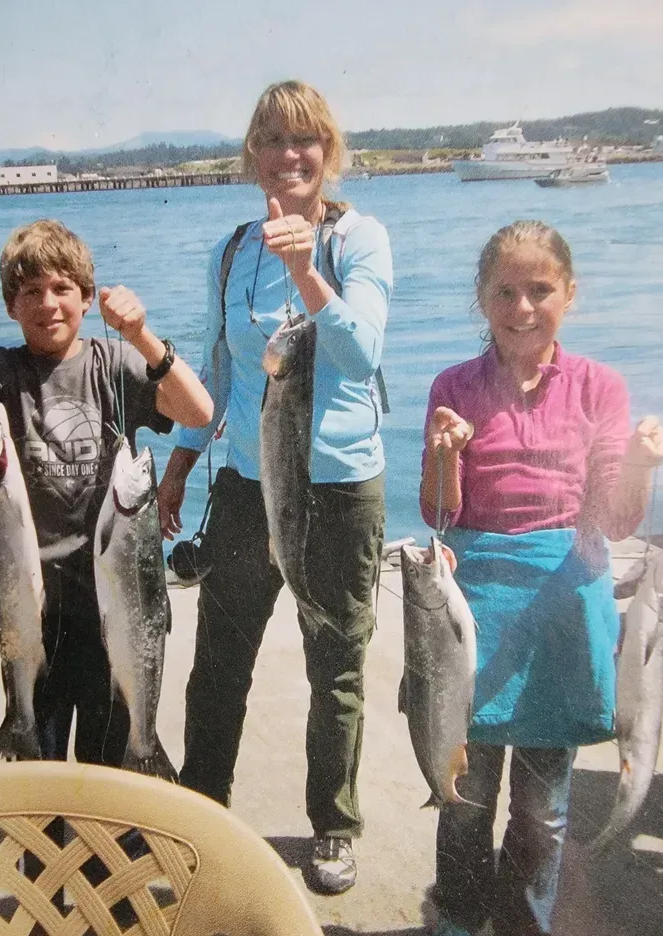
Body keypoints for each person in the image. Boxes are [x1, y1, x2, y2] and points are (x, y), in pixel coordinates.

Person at [158, 80, 392, 894]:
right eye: (274, 141)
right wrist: (182, 461)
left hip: (340, 491)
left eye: (308, 141)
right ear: (253, 154)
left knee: (338, 664)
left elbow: (361, 354)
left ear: (328, 152)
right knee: (218, 664)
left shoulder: (360, 240)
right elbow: (219, 369)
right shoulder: (230, 250)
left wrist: (306, 271)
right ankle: (202, 813)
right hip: (246, 484)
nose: (291, 156)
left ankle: (334, 825)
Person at [419, 220, 663, 936]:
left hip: (565, 601)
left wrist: (641, 465)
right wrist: (445, 455)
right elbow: (439, 513)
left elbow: (616, 518)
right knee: (464, 794)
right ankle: (458, 917)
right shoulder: (453, 386)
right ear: (481, 298)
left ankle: (526, 930)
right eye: (505, 291)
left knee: (542, 807)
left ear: (570, 293)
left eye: (540, 290)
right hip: (478, 604)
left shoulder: (600, 386)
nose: (522, 307)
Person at [0, 219, 213, 769]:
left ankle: (115, 837)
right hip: (31, 607)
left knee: (109, 774)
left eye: (62, 289)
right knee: (43, 772)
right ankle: (42, 849)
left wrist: (142, 337)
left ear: (85, 296)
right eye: (31, 292)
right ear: (10, 304)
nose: (48, 304)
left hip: (113, 602)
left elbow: (199, 412)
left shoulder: (112, 361)